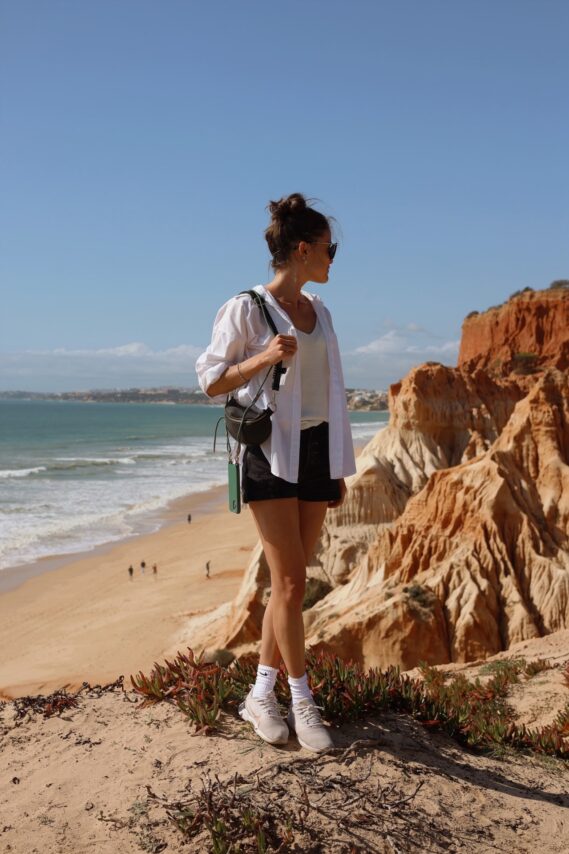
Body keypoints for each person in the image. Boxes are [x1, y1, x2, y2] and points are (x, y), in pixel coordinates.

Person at [195, 193, 356, 753]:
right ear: (305, 249)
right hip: (267, 453)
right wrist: (264, 357)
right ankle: (301, 699)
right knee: (289, 583)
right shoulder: (246, 308)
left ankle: (259, 694)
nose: (334, 259)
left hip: (315, 451)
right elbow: (211, 380)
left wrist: (337, 462)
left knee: (291, 586)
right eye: (330, 250)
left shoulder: (322, 312)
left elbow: (328, 394)